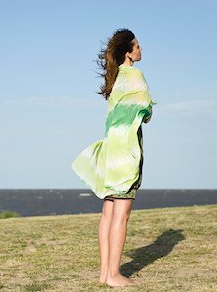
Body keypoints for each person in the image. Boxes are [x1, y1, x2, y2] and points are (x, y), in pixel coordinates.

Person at [71, 28, 156, 287]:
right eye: (137, 46)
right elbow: (147, 114)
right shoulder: (135, 76)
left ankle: (104, 274)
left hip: (109, 151)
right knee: (121, 214)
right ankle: (114, 275)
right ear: (128, 53)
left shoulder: (114, 78)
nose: (141, 50)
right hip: (126, 153)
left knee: (108, 212)